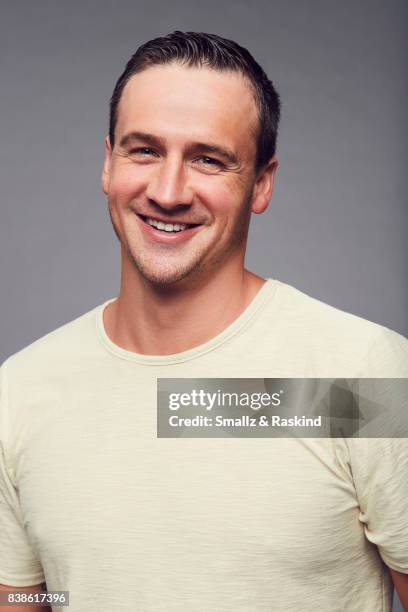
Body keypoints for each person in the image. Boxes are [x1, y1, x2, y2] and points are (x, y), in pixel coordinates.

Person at [0, 31, 407, 612]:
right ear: (107, 162)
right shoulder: (19, 390)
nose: (167, 191)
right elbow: (29, 600)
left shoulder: (361, 376)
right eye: (143, 150)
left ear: (261, 184)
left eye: (208, 160)